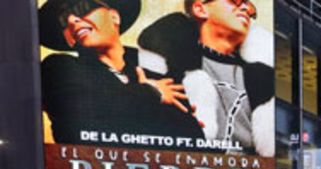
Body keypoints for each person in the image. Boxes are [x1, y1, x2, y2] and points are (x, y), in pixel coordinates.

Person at [39, 0, 203, 146]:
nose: (71, 20)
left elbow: (191, 140)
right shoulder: (58, 69)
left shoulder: (160, 75)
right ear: (67, 39)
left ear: (114, 17)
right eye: (63, 21)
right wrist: (151, 94)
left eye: (82, 7)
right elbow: (76, 128)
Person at [138, 0, 275, 156]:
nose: (245, 8)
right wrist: (147, 94)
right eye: (235, 1)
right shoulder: (167, 64)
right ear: (200, 9)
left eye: (249, 5)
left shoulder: (261, 77)